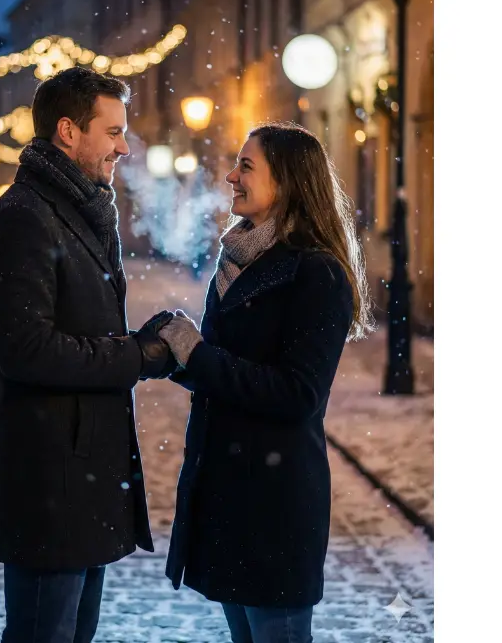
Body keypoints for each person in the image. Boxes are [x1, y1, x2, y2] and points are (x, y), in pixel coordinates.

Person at [0, 67, 177, 643]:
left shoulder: (77, 210)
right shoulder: (23, 218)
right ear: (68, 131)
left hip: (82, 477)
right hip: (49, 482)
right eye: (112, 132)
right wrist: (138, 354)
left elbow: (83, 328)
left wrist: (143, 344)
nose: (123, 145)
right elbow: (27, 351)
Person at [155, 122, 375, 643]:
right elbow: (227, 369)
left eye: (246, 166)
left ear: (290, 181)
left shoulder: (316, 273)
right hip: (229, 492)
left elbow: (298, 395)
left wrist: (198, 355)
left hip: (275, 504)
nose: (230, 176)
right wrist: (170, 356)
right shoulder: (238, 263)